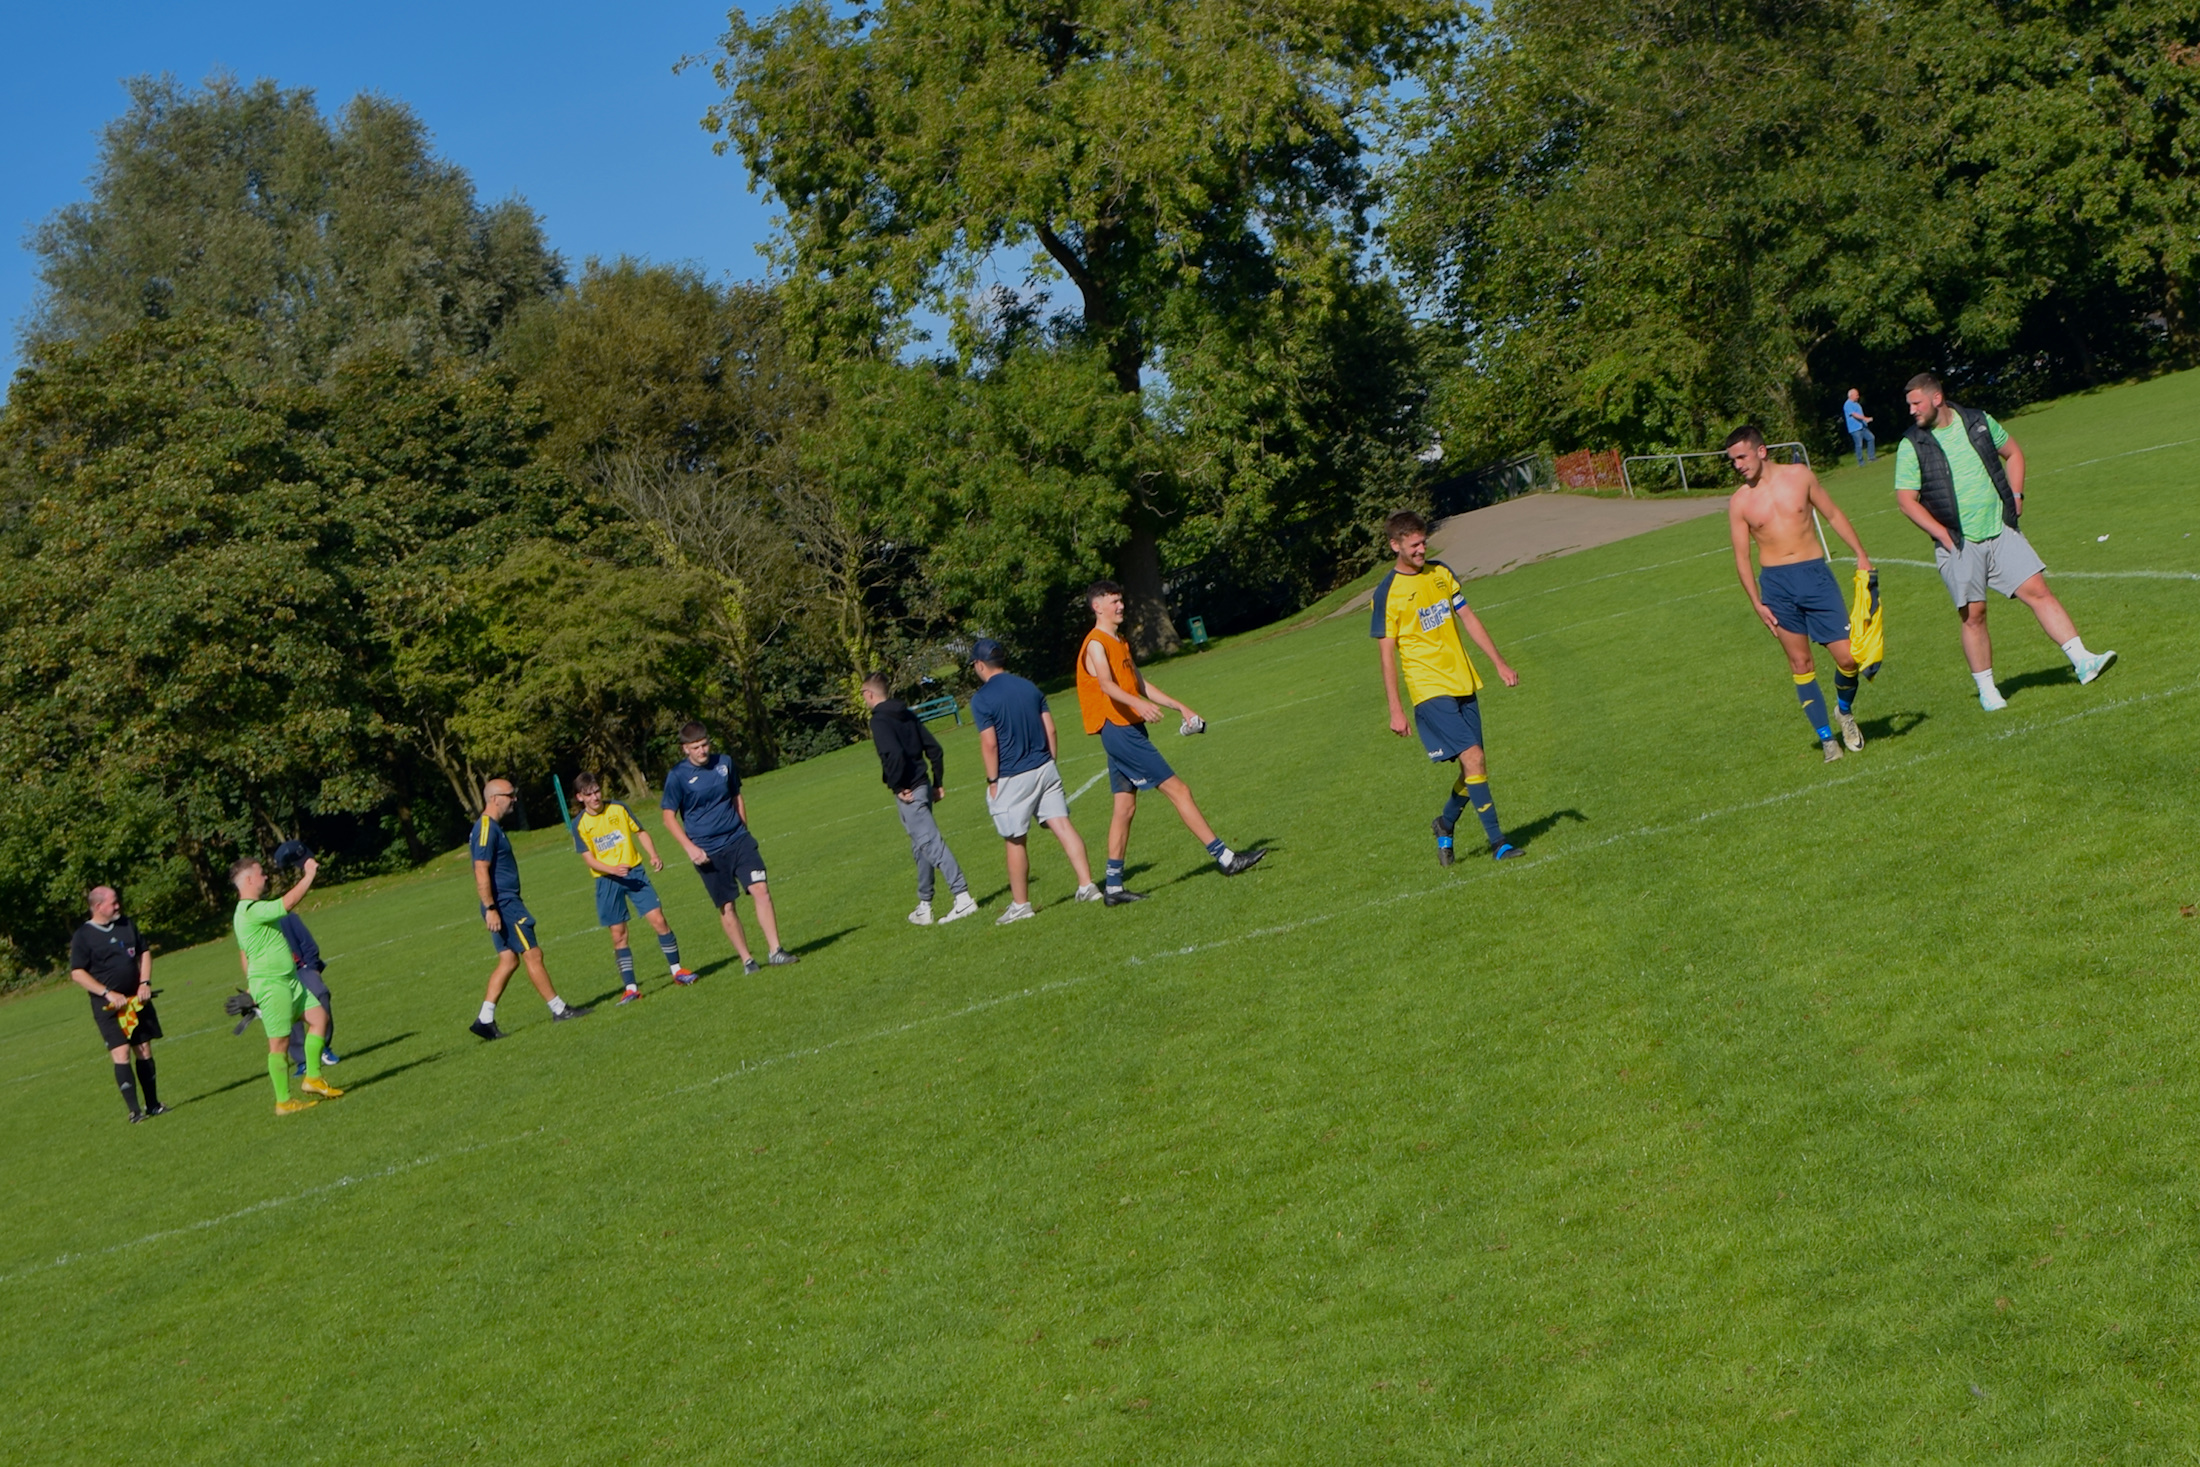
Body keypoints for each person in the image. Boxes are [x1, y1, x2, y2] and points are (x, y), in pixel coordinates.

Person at [1893, 372, 2116, 709]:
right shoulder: (1912, 445)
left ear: (1936, 398)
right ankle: (1987, 690)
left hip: (2000, 530)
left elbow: (2013, 453)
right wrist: (1942, 535)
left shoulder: (1979, 422)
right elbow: (1906, 500)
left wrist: (2016, 494)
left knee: (2040, 592)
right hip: (1959, 543)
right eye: (1909, 405)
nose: (1911, 411)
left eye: (1916, 403)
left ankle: (2083, 661)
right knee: (1974, 615)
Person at [1076, 581, 1265, 902]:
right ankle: (1226, 859)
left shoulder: (1118, 640)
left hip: (1127, 728)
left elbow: (1139, 683)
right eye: (1114, 601)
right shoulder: (1096, 644)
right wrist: (1137, 704)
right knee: (1179, 790)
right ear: (1097, 607)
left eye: (1121, 600)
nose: (1120, 606)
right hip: (1118, 730)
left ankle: (1113, 887)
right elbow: (1107, 686)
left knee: (1124, 807)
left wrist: (1179, 706)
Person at [1371, 511, 1525, 864]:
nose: (1422, 549)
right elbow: (1386, 656)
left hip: (1462, 680)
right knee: (1474, 758)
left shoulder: (1441, 573)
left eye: (1424, 542)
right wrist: (1395, 709)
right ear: (1395, 546)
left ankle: (1445, 823)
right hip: (1428, 689)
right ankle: (1498, 843)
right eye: (1414, 545)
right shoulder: (1387, 593)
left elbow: (1468, 617)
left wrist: (1499, 662)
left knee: (1473, 768)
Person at [1724, 425, 1875, 761]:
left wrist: (1861, 554)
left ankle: (1844, 713)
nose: (1737, 465)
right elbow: (1741, 558)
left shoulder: (1800, 476)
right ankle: (1827, 741)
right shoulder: (1739, 503)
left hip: (1815, 576)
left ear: (1761, 451)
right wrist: (1756, 603)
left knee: (1849, 658)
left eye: (1742, 457)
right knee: (1800, 662)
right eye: (1732, 460)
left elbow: (1833, 514)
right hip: (1776, 586)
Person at [968, 638, 1103, 923]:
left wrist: (993, 780)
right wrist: (1049, 763)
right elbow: (1050, 730)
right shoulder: (1029, 686)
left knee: (1015, 840)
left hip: (1011, 775)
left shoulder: (981, 699)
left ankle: (1020, 905)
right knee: (1063, 825)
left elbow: (989, 744)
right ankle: (1087, 885)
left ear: (980, 665)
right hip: (1045, 766)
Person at [660, 723, 799, 971]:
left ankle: (775, 951)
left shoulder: (724, 763)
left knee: (761, 889)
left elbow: (736, 795)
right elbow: (668, 817)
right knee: (727, 906)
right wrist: (690, 848)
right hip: (707, 852)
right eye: (696, 747)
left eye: (705, 744)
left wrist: (743, 829)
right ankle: (747, 959)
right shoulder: (677, 777)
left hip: (738, 840)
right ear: (685, 749)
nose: (703, 750)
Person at [468, 778, 591, 1040]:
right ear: (494, 798)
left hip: (502, 903)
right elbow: (481, 868)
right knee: (533, 954)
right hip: (504, 904)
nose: (514, 799)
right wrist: (491, 907)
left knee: (509, 959)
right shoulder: (486, 828)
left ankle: (484, 1019)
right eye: (510, 795)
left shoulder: (492, 827)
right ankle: (559, 1009)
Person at [861, 677, 980, 926]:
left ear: (869, 694)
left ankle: (962, 896)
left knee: (931, 843)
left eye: (862, 694)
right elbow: (934, 749)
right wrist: (937, 781)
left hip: (910, 791)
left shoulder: (879, 720)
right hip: (923, 785)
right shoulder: (907, 714)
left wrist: (897, 785)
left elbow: (892, 754)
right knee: (921, 846)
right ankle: (925, 905)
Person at [230, 854, 341, 1115]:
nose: (265, 877)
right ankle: (283, 1101)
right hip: (272, 985)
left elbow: (245, 953)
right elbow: (288, 902)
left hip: (289, 981)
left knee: (318, 1018)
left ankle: (312, 1077)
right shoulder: (249, 910)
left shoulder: (249, 911)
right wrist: (309, 875)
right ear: (248, 879)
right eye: (260, 873)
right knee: (278, 1045)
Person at [574, 774, 698, 1003]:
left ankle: (678, 971)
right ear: (580, 797)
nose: (595, 797)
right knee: (618, 935)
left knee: (659, 920)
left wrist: (653, 855)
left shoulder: (619, 808)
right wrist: (612, 870)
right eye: (589, 794)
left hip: (634, 873)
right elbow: (589, 859)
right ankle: (631, 989)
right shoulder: (579, 824)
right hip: (607, 881)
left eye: (597, 791)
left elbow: (640, 832)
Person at [66, 887, 165, 1123]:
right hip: (108, 1008)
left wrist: (144, 983)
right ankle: (134, 1111)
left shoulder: (126, 924)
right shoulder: (84, 936)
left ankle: (153, 1105)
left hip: (136, 1002)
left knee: (143, 1050)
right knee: (121, 1053)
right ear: (98, 906)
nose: (118, 906)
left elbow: (144, 952)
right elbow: (77, 973)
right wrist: (108, 993)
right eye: (113, 903)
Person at [269, 841, 338, 1076]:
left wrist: (312, 969)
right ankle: (302, 1061)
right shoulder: (255, 923)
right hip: (279, 975)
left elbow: (309, 945)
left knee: (320, 994)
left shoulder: (287, 917)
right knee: (289, 1010)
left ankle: (324, 1048)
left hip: (303, 969)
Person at [1843, 389, 1876, 466]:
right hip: (1855, 429)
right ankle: (1861, 462)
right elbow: (1854, 415)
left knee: (1871, 438)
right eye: (1856, 395)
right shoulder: (1847, 404)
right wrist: (1865, 418)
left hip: (1863, 426)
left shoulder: (1857, 404)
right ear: (1851, 395)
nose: (1858, 396)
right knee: (1859, 445)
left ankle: (1871, 457)